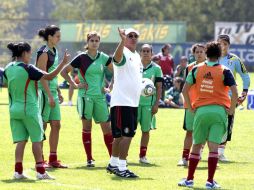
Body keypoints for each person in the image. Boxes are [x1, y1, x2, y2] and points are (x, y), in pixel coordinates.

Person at [3, 42, 69, 179]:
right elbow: (50, 76)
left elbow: (5, 83)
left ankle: (18, 172)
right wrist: (62, 63)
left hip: (13, 110)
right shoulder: (28, 68)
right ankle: (40, 172)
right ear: (24, 53)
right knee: (37, 140)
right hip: (30, 109)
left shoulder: (8, 68)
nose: (31, 55)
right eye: (29, 53)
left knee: (21, 141)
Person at [178, 41, 238, 189]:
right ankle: (210, 182)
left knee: (197, 145)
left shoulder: (196, 69)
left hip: (201, 111)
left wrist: (191, 106)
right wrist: (231, 110)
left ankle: (190, 179)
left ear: (206, 53)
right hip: (219, 112)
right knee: (213, 148)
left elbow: (184, 90)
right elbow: (235, 93)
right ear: (219, 55)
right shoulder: (225, 70)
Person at [61, 31, 113, 167]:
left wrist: (110, 87)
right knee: (87, 128)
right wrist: (75, 84)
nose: (94, 43)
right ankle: (89, 159)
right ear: (87, 42)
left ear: (99, 42)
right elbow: (63, 72)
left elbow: (117, 72)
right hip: (85, 98)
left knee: (107, 129)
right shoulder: (81, 57)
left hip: (101, 98)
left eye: (97, 41)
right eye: (92, 41)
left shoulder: (104, 57)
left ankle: (113, 160)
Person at [106, 28, 143, 178]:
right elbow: (116, 58)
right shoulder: (124, 52)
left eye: (135, 36)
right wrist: (121, 42)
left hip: (132, 102)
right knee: (127, 136)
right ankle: (122, 168)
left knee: (120, 137)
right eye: (129, 36)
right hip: (122, 102)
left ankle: (113, 164)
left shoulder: (136, 55)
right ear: (124, 38)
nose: (133, 38)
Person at [36, 25, 67, 168]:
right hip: (44, 93)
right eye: (57, 36)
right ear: (50, 37)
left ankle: (53, 159)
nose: (59, 39)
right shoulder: (43, 52)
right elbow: (42, 77)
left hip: (53, 92)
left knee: (56, 125)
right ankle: (40, 161)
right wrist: (49, 95)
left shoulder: (54, 50)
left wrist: (58, 91)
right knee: (43, 126)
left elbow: (53, 73)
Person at [217, 34, 250, 162]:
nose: (222, 46)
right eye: (220, 43)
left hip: (230, 98)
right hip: (213, 96)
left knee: (228, 123)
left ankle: (221, 152)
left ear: (228, 45)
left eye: (225, 44)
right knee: (213, 121)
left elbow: (245, 76)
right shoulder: (212, 58)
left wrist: (244, 93)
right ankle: (204, 150)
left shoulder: (234, 59)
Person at [177, 44, 206, 166]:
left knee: (203, 131)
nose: (199, 54)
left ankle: (198, 153)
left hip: (205, 104)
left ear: (205, 53)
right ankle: (184, 157)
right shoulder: (189, 68)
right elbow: (185, 88)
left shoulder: (210, 67)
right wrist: (188, 103)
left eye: (201, 51)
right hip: (191, 104)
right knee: (189, 131)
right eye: (197, 52)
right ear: (193, 54)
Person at [138, 44, 163, 164]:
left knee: (146, 130)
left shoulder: (156, 68)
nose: (146, 53)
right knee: (130, 131)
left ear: (152, 53)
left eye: (148, 51)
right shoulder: (135, 66)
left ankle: (142, 156)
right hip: (134, 104)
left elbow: (159, 88)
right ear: (140, 52)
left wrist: (156, 104)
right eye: (143, 51)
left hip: (148, 105)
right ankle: (124, 155)